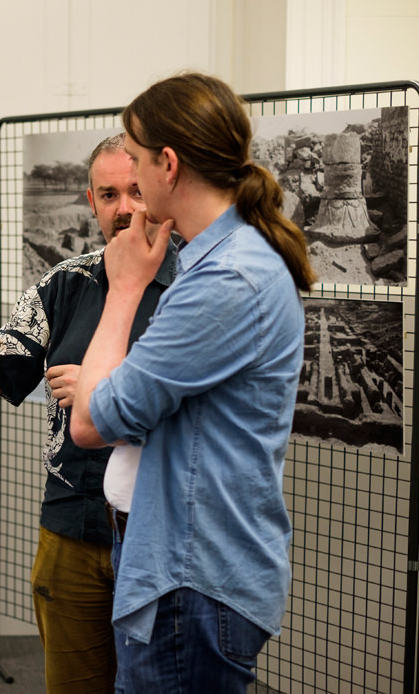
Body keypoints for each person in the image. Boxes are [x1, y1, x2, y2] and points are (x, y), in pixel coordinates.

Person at [70, 72, 315, 693]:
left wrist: (124, 287)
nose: (130, 176)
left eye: (136, 155)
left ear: (167, 165)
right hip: (183, 569)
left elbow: (91, 421)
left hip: (192, 581)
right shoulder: (225, 261)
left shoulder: (226, 280)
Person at [0, 133, 177, 693]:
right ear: (89, 201)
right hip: (70, 524)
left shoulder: (197, 283)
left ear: (160, 190)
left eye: (136, 192)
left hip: (162, 530)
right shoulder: (63, 283)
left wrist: (107, 388)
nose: (124, 209)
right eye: (109, 194)